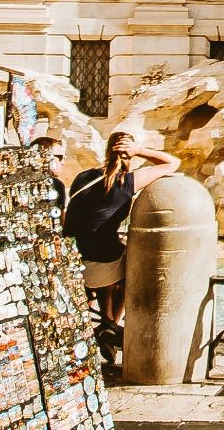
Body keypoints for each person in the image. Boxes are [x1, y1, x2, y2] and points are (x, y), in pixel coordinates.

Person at [63, 131, 181, 354]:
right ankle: (111, 323)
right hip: (99, 265)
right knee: (139, 265)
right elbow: (173, 163)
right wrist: (140, 151)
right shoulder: (127, 181)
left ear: (107, 151)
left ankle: (107, 320)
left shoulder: (83, 177)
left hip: (75, 261)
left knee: (116, 251)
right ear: (130, 153)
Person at [33, 135, 68, 211]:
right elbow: (61, 220)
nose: (63, 162)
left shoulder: (58, 185)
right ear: (44, 157)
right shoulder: (57, 185)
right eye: (60, 157)